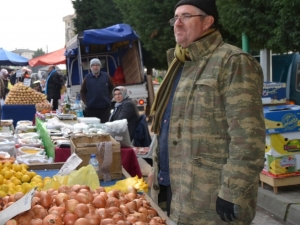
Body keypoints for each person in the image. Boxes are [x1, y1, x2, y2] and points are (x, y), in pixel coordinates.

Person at [148, 0, 266, 224]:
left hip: (210, 198)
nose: (177, 23)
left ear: (207, 21)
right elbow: (167, 126)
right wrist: (158, 171)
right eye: (175, 18)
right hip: (173, 188)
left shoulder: (232, 62)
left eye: (186, 16)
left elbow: (248, 138)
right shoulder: (179, 64)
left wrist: (232, 190)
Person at [80, 58, 114, 123]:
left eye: (97, 65)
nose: (95, 67)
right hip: (91, 109)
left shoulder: (106, 76)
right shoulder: (87, 78)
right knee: (92, 128)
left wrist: (109, 99)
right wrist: (86, 102)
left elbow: (112, 88)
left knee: (105, 127)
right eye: (93, 65)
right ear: (91, 67)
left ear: (100, 66)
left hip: (105, 109)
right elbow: (82, 91)